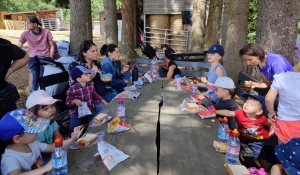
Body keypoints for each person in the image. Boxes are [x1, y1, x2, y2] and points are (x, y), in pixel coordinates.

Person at [0, 109, 83, 175]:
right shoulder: (9, 158)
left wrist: (72, 139)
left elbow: (52, 147)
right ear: (17, 138)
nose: (37, 131)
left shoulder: (32, 143)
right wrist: (45, 168)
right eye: (34, 130)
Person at [216, 93, 279, 171]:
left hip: (266, 139)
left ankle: (275, 167)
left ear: (259, 111)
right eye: (246, 102)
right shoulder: (240, 113)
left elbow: (271, 122)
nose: (247, 104)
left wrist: (277, 122)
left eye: (251, 104)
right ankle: (266, 170)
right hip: (251, 142)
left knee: (273, 153)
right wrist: (216, 111)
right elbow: (229, 113)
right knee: (261, 155)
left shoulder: (262, 118)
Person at [0, 37, 29, 167]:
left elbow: (24, 56)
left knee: (9, 135)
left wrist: (9, 71)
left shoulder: (4, 45)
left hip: (4, 100)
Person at [265, 59, 300, 144]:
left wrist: (271, 112)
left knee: (284, 150)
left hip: (285, 121)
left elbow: (269, 99)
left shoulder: (281, 77)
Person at [66, 66, 106, 136]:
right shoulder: (73, 89)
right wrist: (74, 101)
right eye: (86, 74)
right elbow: (68, 103)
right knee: (73, 128)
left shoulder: (90, 86)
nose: (89, 75)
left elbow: (96, 96)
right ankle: (71, 141)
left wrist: (104, 101)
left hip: (89, 111)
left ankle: (96, 134)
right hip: (76, 113)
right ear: (79, 79)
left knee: (98, 121)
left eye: (88, 73)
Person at [18, 16, 55, 91]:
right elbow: (18, 47)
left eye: (28, 23)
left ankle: (41, 93)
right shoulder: (25, 34)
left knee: (42, 76)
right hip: (32, 58)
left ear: (35, 24)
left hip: (45, 57)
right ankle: (35, 93)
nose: (26, 24)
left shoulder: (46, 32)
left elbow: (52, 46)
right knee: (35, 76)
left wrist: (51, 57)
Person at [26, 90, 62, 163]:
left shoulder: (51, 121)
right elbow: (45, 152)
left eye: (52, 106)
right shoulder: (36, 131)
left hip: (56, 153)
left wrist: (63, 145)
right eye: (45, 109)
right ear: (34, 113)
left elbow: (59, 137)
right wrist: (61, 149)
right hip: (44, 162)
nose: (51, 110)